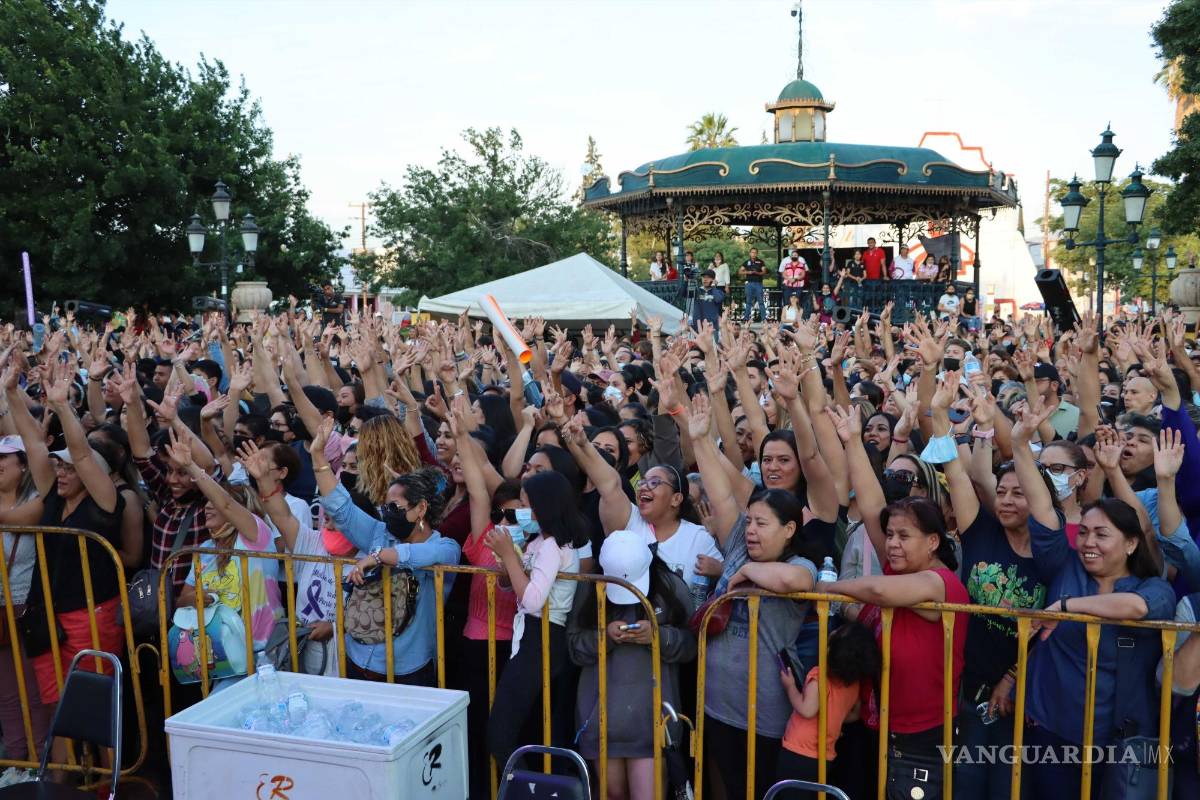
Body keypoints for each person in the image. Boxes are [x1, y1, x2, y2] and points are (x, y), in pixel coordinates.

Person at [1010, 399, 1176, 798]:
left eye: (1102, 535)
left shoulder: (1151, 589)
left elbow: (1134, 609)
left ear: (1131, 543)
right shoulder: (1064, 565)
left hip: (1120, 745)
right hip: (1051, 733)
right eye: (1083, 533)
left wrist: (1065, 608)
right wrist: (1019, 444)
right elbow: (1041, 504)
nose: (1088, 543)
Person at [824, 404, 969, 800]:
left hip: (921, 736)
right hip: (881, 724)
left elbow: (879, 593)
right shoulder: (901, 567)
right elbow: (872, 506)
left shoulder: (941, 583)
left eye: (904, 536)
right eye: (890, 536)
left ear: (933, 542)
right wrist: (853, 441)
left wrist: (824, 589)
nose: (891, 543)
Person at [686, 393, 822, 800]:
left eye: (762, 524)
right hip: (715, 703)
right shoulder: (737, 545)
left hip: (763, 717)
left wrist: (746, 573)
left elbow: (793, 580)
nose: (751, 530)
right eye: (750, 522)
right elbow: (722, 494)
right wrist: (699, 439)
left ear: (789, 530)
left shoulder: (803, 564)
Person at [315, 417, 461, 685]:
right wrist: (317, 457)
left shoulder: (445, 548)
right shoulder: (379, 533)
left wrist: (379, 557)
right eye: (385, 507)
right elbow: (341, 508)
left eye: (395, 507)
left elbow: (422, 556)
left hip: (408, 667)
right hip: (358, 658)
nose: (387, 514)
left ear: (421, 509)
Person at [567, 532, 695, 800]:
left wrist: (658, 637)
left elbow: (692, 645)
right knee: (612, 794)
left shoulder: (671, 587)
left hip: (653, 722)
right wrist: (605, 637)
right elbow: (573, 648)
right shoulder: (588, 589)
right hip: (600, 721)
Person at [485, 469, 587, 770]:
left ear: (544, 505)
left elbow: (532, 600)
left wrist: (512, 559)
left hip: (543, 635)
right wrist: (506, 561)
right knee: (509, 731)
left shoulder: (555, 546)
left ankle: (530, 789)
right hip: (531, 635)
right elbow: (512, 587)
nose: (522, 512)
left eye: (527, 504)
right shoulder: (538, 543)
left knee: (501, 734)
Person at [775, 622, 881, 794]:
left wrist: (790, 686)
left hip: (797, 752)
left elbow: (807, 709)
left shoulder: (819, 675)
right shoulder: (854, 686)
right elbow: (854, 713)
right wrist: (833, 715)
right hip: (825, 758)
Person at [740, 247, 768, 323]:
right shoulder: (746, 262)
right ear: (750, 253)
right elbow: (740, 271)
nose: (753, 254)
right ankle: (746, 318)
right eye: (752, 252)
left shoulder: (760, 262)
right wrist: (748, 272)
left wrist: (757, 273)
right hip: (749, 283)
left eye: (755, 252)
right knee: (748, 301)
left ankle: (764, 319)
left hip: (758, 283)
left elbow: (764, 271)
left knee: (761, 301)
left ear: (757, 253)